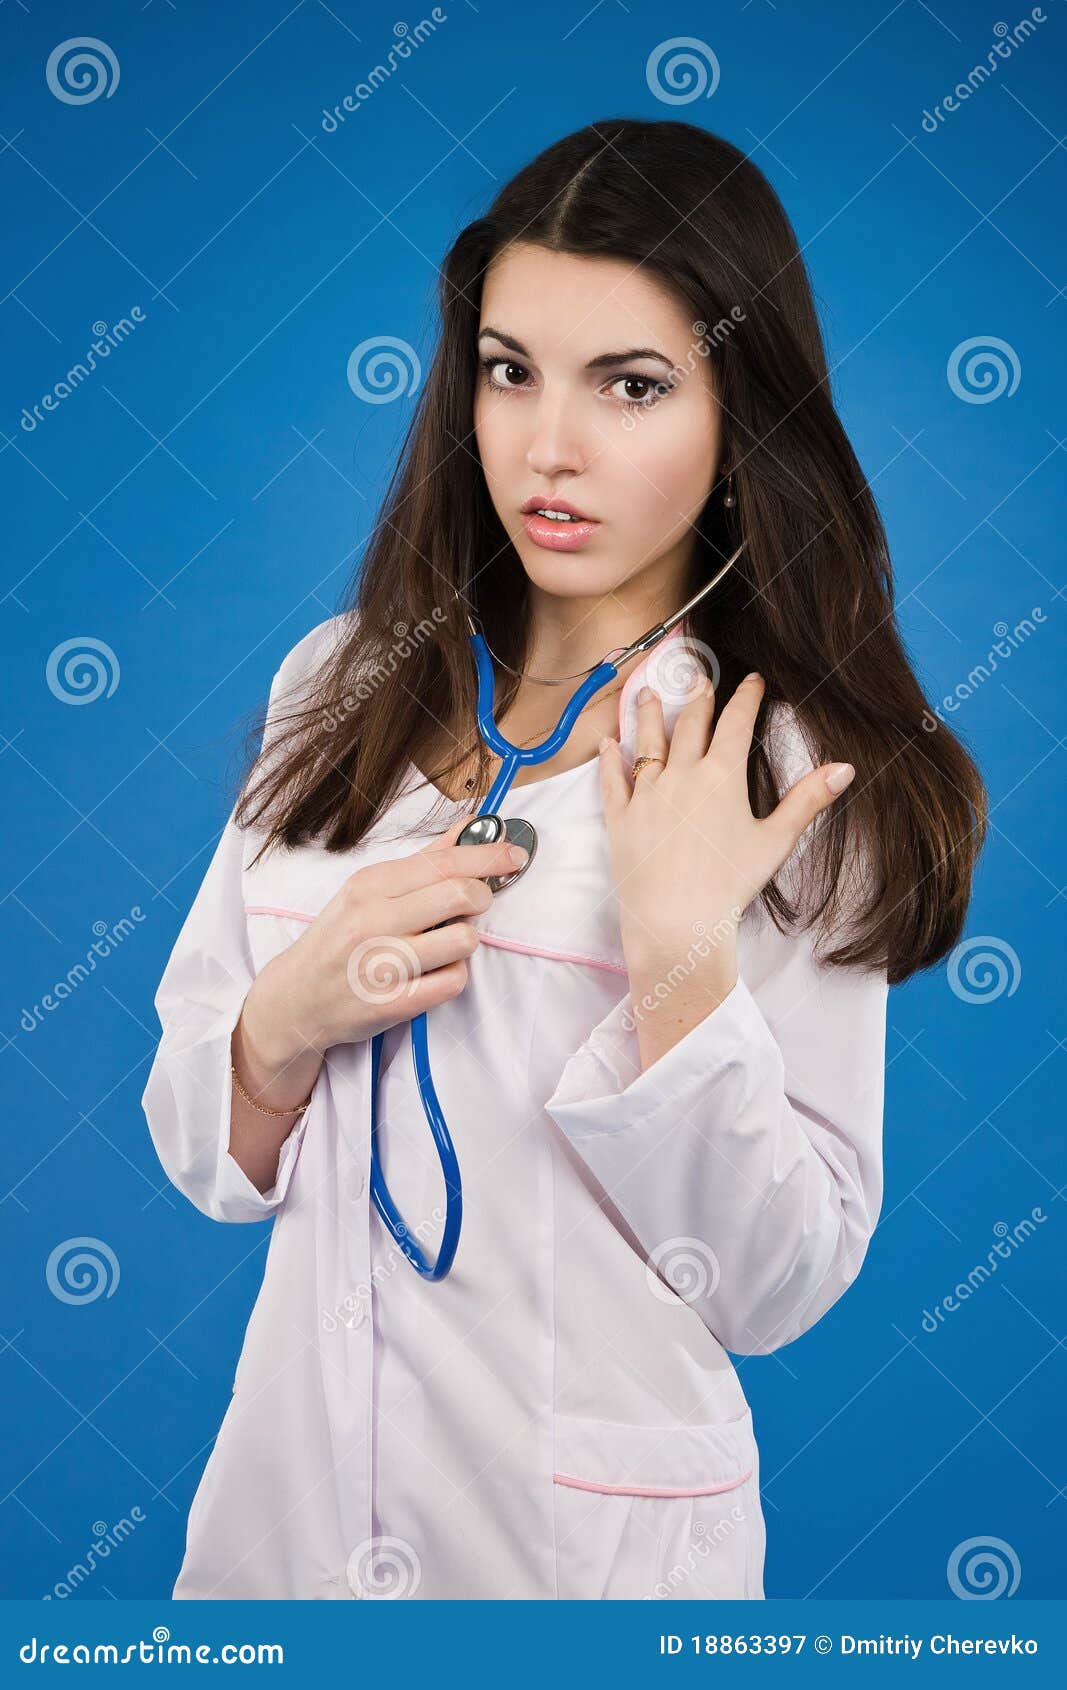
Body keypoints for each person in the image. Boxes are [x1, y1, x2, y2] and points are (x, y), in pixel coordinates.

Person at [142, 118, 986, 1601]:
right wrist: (286, 1021)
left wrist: (679, 958)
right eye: (509, 369)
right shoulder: (340, 682)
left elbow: (778, 1282)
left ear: (741, 414)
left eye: (632, 385)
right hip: (280, 1551)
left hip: (585, 1576)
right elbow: (201, 1148)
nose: (549, 447)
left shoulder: (781, 768)